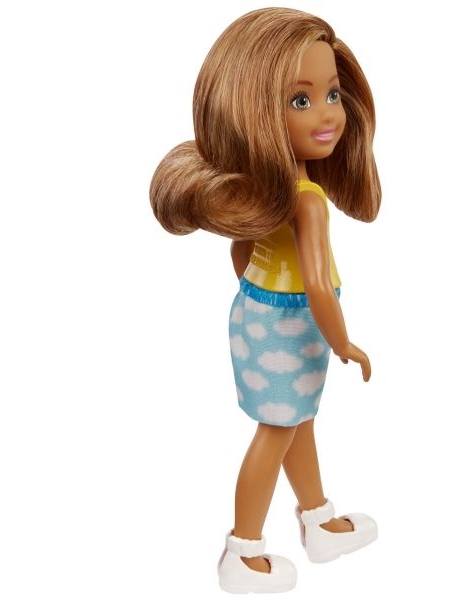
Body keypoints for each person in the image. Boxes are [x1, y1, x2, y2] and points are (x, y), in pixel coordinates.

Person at [150, 8, 381, 593]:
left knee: (296, 421)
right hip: (294, 323)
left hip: (259, 313)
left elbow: (241, 249)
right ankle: (243, 549)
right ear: (252, 111)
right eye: (300, 100)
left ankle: (318, 520)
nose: (328, 113)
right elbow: (318, 285)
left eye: (332, 94)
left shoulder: (266, 187)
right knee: (275, 431)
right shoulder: (306, 200)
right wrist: (343, 341)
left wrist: (258, 301)